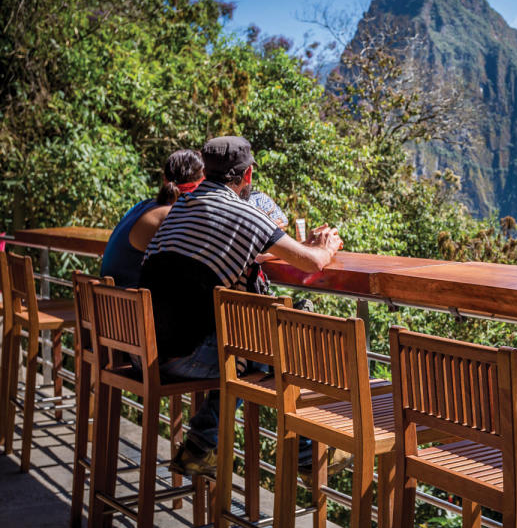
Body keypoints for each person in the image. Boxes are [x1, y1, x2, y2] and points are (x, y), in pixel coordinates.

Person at [139, 135, 343, 473]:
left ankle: (203, 446)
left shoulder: (180, 209)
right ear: (247, 176)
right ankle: (308, 453)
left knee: (245, 353)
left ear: (205, 172)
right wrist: (327, 244)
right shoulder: (247, 214)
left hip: (143, 349)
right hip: (179, 358)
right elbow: (312, 262)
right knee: (273, 353)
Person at [100, 150, 204, 288]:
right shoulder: (170, 215)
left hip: (109, 302)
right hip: (131, 305)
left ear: (164, 178)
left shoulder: (143, 205)